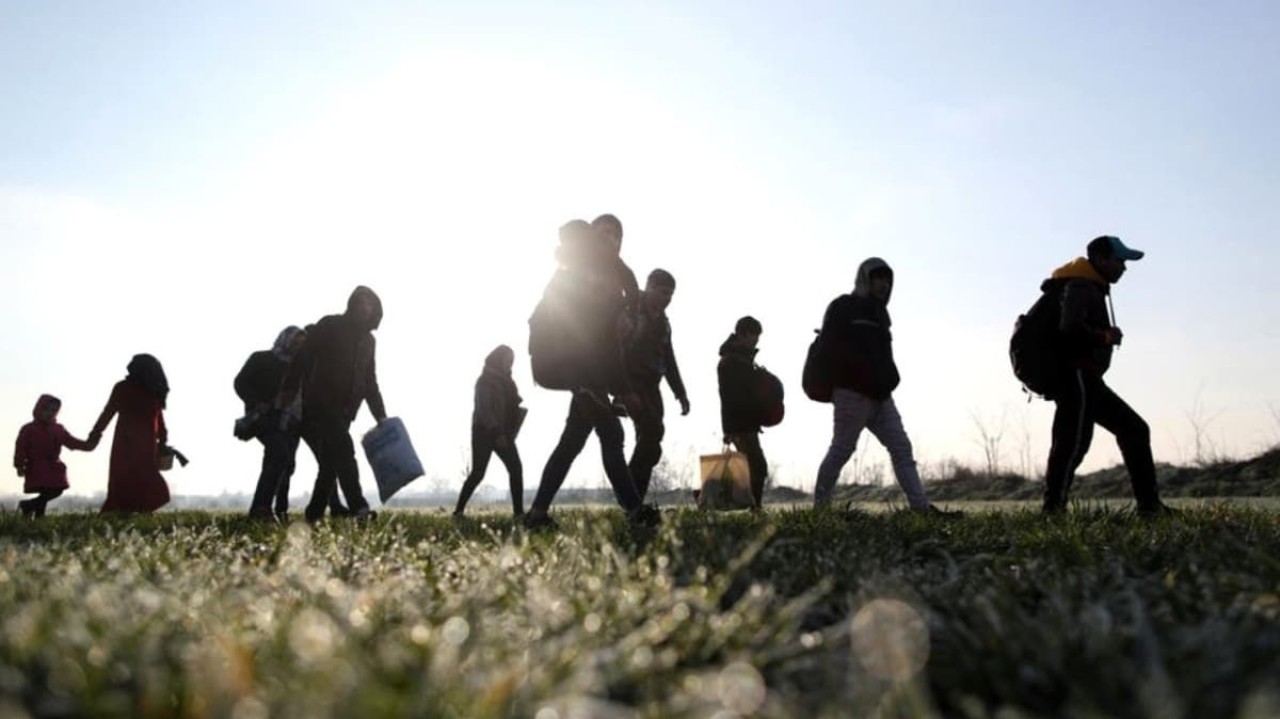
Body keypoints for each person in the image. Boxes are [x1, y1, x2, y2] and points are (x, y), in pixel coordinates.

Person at [523, 220, 658, 531]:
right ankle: (636, 512)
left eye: (617, 235)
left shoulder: (603, 277)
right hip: (576, 369)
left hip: (580, 372)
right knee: (611, 435)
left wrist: (627, 312)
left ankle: (537, 514)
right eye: (604, 235)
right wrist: (624, 391)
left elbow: (605, 344)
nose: (611, 241)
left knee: (572, 442)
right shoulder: (590, 278)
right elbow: (600, 344)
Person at [811, 258, 954, 515]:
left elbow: (884, 355)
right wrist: (855, 377)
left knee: (902, 448)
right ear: (865, 279)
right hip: (852, 395)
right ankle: (820, 511)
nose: (883, 285)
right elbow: (829, 350)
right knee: (842, 450)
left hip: (881, 397)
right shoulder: (843, 306)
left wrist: (890, 379)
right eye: (878, 278)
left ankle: (921, 509)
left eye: (887, 280)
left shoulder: (880, 313)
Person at [1039, 235, 1170, 515]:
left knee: (1079, 442)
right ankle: (1053, 511)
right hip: (1077, 377)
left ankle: (1055, 509)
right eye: (1120, 260)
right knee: (1082, 441)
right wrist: (1104, 336)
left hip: (1083, 378)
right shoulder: (1081, 286)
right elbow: (1069, 329)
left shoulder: (1086, 285)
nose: (1124, 267)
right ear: (1100, 259)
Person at [281, 286, 388, 523]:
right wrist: (290, 387)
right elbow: (303, 355)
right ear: (352, 305)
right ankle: (359, 507)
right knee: (345, 451)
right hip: (321, 403)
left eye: (369, 304)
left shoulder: (369, 342)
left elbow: (370, 381)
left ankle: (314, 513)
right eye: (360, 303)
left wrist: (381, 416)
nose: (364, 308)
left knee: (330, 463)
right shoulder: (330, 325)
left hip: (347, 410)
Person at [236, 325, 313, 522]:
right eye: (296, 342)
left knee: (285, 463)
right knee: (279, 454)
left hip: (293, 421)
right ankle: (261, 508)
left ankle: (277, 509)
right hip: (267, 419)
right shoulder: (262, 359)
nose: (298, 347)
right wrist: (256, 403)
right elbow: (241, 382)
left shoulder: (302, 367)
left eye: (302, 344)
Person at [624, 269, 690, 500]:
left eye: (671, 294)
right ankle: (629, 496)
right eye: (663, 292)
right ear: (649, 287)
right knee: (652, 431)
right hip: (629, 383)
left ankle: (634, 500)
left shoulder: (664, 323)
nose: (667, 299)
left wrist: (680, 393)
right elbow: (614, 349)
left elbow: (669, 359)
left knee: (651, 445)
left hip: (652, 386)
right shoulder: (629, 309)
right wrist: (622, 389)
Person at [89, 354, 172, 513]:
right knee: (142, 478)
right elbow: (159, 418)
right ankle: (140, 510)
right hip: (142, 442)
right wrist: (163, 439)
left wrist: (95, 434)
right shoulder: (151, 390)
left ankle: (134, 510)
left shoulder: (125, 388)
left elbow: (108, 412)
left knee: (126, 477)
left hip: (126, 441)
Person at [454, 345, 526, 517]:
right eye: (507, 361)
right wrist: (497, 433)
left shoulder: (507, 382)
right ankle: (458, 511)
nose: (510, 365)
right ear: (498, 359)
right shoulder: (484, 381)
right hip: (484, 432)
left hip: (503, 432)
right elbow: (484, 409)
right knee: (478, 473)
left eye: (512, 362)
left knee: (515, 469)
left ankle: (518, 513)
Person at [12, 394, 95, 517]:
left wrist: (89, 445)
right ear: (39, 409)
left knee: (56, 490)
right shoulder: (29, 429)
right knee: (47, 491)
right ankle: (35, 513)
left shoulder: (58, 429)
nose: (50, 413)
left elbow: (71, 442)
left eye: (54, 410)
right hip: (36, 466)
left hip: (54, 466)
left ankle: (28, 506)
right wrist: (19, 465)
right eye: (46, 409)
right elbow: (20, 448)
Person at [717, 316, 769, 509]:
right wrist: (729, 430)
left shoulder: (738, 360)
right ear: (742, 334)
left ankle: (753, 508)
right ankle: (755, 509)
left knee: (752, 467)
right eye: (754, 336)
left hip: (745, 424)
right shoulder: (732, 362)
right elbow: (729, 398)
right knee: (758, 468)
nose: (756, 340)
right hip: (741, 425)